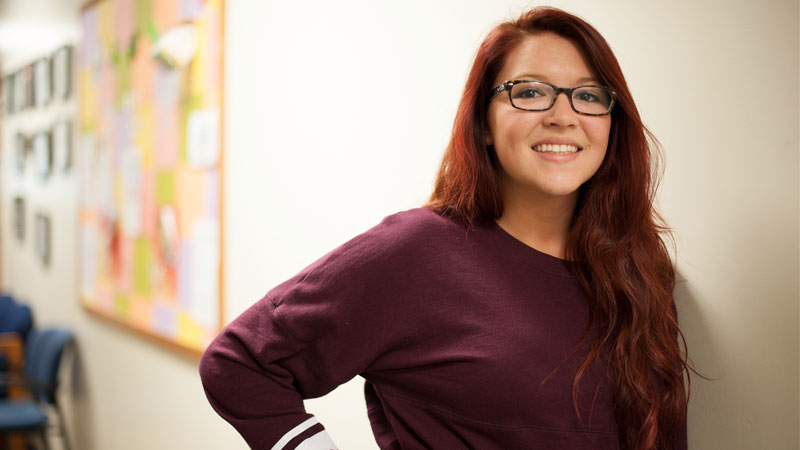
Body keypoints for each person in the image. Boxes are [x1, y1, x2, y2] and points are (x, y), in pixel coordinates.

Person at [199, 6, 691, 450]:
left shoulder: (641, 269)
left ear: (612, 121)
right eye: (531, 92)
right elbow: (240, 361)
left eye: (587, 95)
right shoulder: (417, 252)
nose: (563, 116)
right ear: (483, 125)